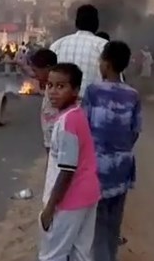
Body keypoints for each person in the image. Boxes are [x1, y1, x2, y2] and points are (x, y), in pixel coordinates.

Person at [82, 41, 141, 261]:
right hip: (122, 167)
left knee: (97, 225)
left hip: (96, 168)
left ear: (105, 64)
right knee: (114, 223)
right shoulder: (133, 95)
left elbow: (84, 128)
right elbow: (135, 131)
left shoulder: (93, 91)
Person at [39, 63, 100, 261]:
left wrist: (50, 208)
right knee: (80, 253)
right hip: (88, 195)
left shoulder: (67, 122)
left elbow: (67, 170)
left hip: (69, 200)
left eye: (61, 86)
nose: (53, 92)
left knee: (52, 255)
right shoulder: (76, 114)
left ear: (75, 90)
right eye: (50, 85)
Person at [50, 4, 108, 96]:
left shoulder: (57, 45)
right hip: (92, 106)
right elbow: (115, 83)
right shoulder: (104, 46)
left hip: (61, 107)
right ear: (96, 23)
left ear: (76, 23)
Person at [18, 48, 59, 155]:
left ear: (48, 68)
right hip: (49, 140)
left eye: (36, 71)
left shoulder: (58, 90)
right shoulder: (48, 84)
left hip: (56, 142)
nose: (35, 75)